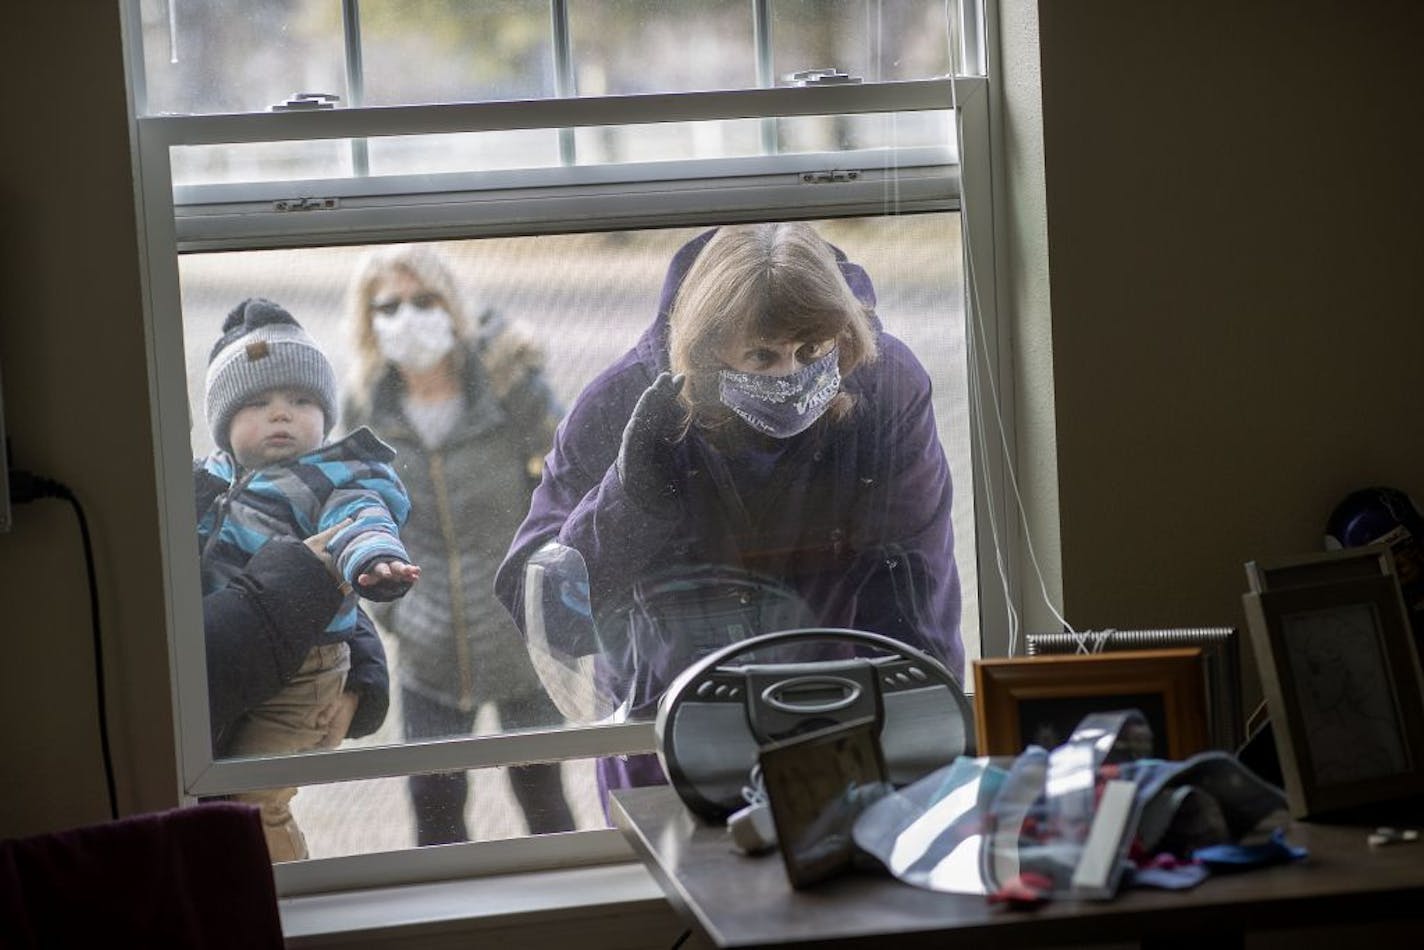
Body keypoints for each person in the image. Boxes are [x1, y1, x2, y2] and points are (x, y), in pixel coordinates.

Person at [495, 222, 964, 807]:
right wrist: (630, 493)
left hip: (835, 713)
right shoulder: (620, 400)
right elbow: (543, 609)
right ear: (706, 350)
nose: (790, 375)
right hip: (670, 733)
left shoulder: (885, 385)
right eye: (762, 355)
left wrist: (923, 754)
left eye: (812, 350)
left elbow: (915, 584)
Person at [342, 243, 575, 843]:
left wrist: (544, 592)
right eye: (387, 306)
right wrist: (392, 615)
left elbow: (569, 478)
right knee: (435, 807)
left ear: (451, 304)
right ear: (368, 322)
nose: (406, 317)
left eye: (423, 300)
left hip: (516, 636)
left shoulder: (505, 384)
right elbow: (357, 512)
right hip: (427, 649)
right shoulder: (366, 405)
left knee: (544, 799)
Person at [195, 296, 420, 861]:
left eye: (300, 400)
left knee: (252, 799)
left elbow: (360, 519)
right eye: (259, 402)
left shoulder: (333, 479)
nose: (281, 414)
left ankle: (290, 897)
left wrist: (373, 562)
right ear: (223, 426)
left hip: (305, 671)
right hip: (235, 662)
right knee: (213, 795)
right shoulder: (205, 482)